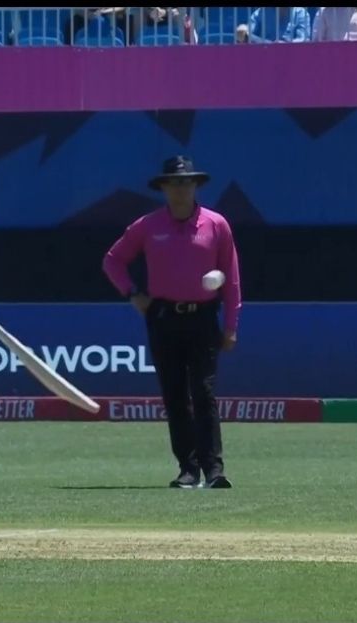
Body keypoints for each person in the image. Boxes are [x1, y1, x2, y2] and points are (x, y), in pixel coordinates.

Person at [102, 156, 242, 490]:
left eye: (187, 182)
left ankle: (215, 470)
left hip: (204, 316)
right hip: (164, 317)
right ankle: (188, 469)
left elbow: (232, 279)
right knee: (175, 394)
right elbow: (113, 261)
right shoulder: (148, 226)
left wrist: (231, 325)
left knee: (204, 393)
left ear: (196, 186)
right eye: (175, 183)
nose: (181, 189)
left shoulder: (216, 224)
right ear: (164, 187)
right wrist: (133, 294)